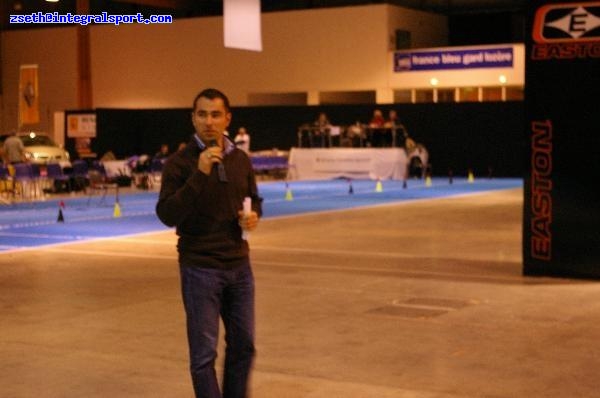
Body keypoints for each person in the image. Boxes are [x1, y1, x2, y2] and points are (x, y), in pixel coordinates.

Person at [155, 88, 262, 398]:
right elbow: (166, 214)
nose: (209, 121)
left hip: (239, 267)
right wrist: (200, 174)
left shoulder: (240, 159)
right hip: (200, 268)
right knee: (204, 356)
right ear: (193, 118)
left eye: (216, 114)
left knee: (244, 346)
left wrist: (254, 214)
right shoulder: (178, 164)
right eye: (202, 114)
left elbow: (253, 198)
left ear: (227, 118)